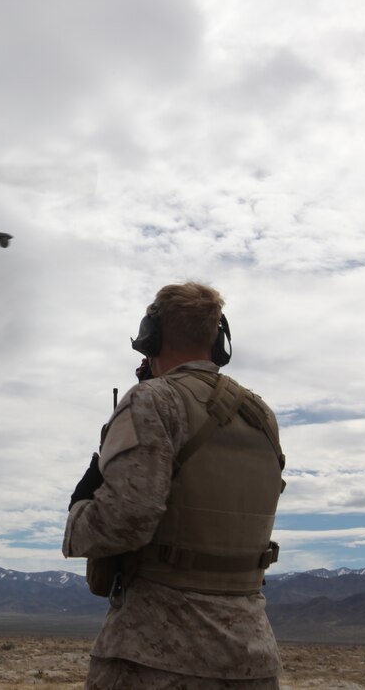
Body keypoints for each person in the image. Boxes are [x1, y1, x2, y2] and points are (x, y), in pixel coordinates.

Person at [63, 282, 286, 689]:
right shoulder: (260, 415)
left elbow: (124, 521)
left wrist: (78, 510)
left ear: (152, 335)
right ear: (218, 342)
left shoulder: (153, 400)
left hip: (156, 655)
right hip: (253, 658)